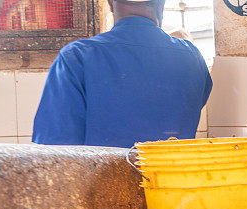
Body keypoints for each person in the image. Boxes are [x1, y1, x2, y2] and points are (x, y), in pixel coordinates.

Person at [32, 0, 211, 148]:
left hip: (101, 189)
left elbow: (53, 152)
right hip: (171, 187)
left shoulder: (75, 58)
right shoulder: (193, 58)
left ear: (110, 4)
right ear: (161, 4)